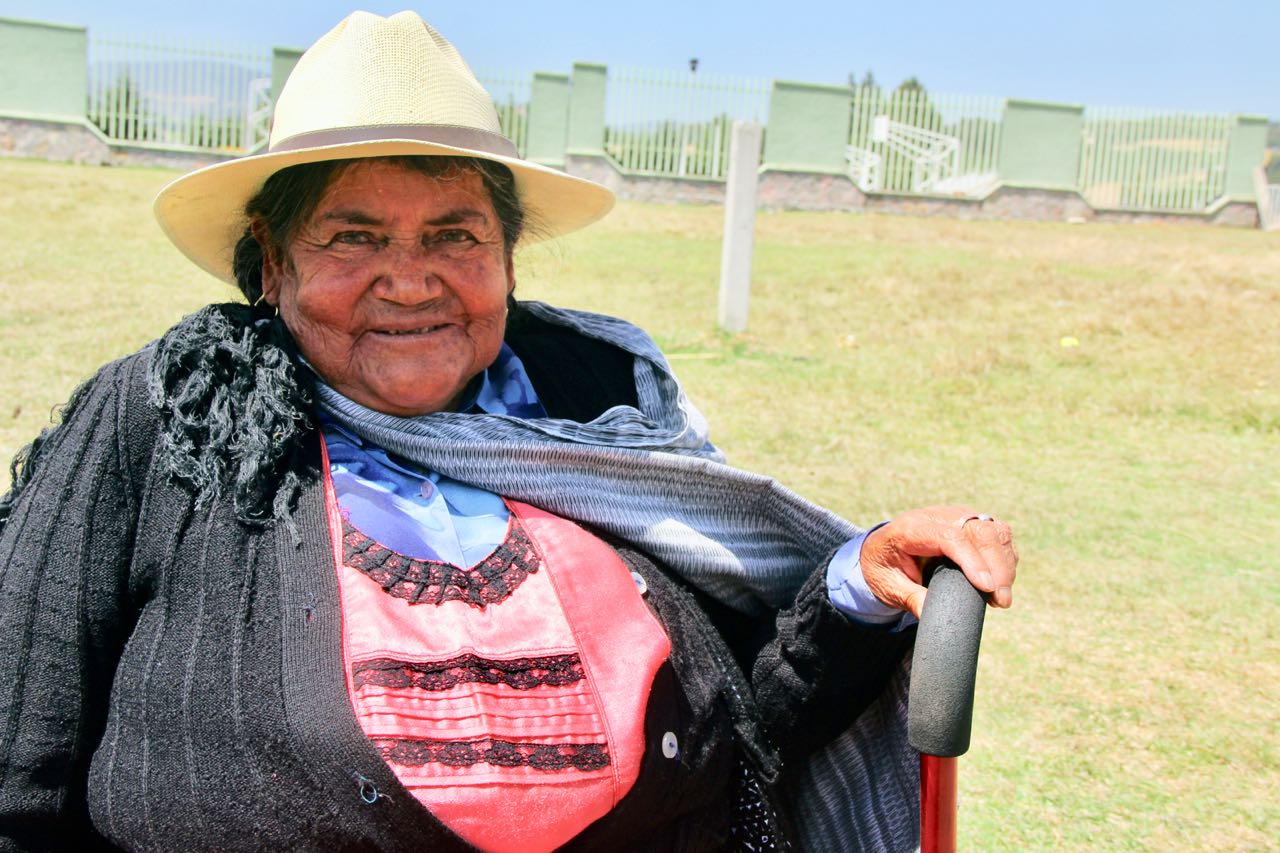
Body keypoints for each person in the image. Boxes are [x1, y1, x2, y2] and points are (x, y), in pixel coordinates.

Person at [0, 11, 1017, 852]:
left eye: (455, 234)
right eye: (352, 236)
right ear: (271, 263)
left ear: (508, 258)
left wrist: (851, 590)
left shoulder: (597, 414)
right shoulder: (175, 417)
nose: (411, 276)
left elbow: (735, 736)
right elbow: (17, 763)